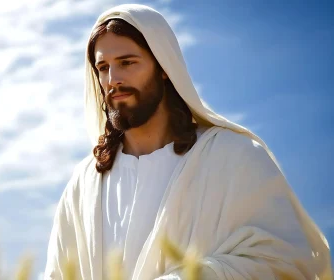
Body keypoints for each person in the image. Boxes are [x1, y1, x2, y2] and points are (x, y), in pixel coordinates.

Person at [44, 4, 332, 280]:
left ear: (164, 66)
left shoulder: (232, 157)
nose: (113, 79)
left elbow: (285, 262)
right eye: (103, 67)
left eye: (127, 63)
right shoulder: (84, 185)